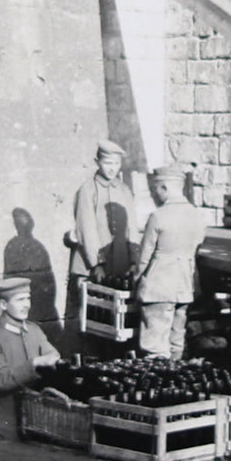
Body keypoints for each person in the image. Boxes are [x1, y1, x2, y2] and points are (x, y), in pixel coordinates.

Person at [63, 138, 139, 349]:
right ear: (97, 162)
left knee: (118, 319)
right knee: (93, 319)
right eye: (107, 163)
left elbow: (132, 226)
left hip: (120, 265)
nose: (112, 168)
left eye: (116, 164)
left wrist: (134, 260)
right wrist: (97, 264)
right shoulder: (87, 190)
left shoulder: (125, 191)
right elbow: (86, 229)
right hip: (93, 267)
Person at [135, 168, 206, 360]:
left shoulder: (158, 216)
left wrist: (136, 279)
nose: (153, 194)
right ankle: (176, 382)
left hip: (159, 288)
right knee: (176, 342)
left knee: (155, 346)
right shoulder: (196, 216)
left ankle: (157, 385)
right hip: (183, 287)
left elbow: (144, 257)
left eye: (155, 189)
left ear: (164, 187)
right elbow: (196, 249)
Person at [0, 277, 59, 440]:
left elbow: (53, 354)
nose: (26, 305)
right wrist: (34, 363)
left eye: (28, 299)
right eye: (20, 300)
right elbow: (0, 380)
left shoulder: (34, 331)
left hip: (37, 425)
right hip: (6, 428)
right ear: (3, 305)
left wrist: (50, 359)